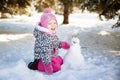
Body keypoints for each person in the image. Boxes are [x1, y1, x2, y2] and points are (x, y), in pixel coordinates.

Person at [28, 8, 70, 75]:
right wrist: (48, 66)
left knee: (61, 60)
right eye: (50, 23)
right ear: (44, 25)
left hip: (51, 55)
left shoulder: (50, 34)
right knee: (57, 68)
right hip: (42, 59)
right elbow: (45, 53)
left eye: (54, 23)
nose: (53, 25)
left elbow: (54, 42)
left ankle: (53, 60)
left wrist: (62, 44)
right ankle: (38, 65)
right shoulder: (44, 37)